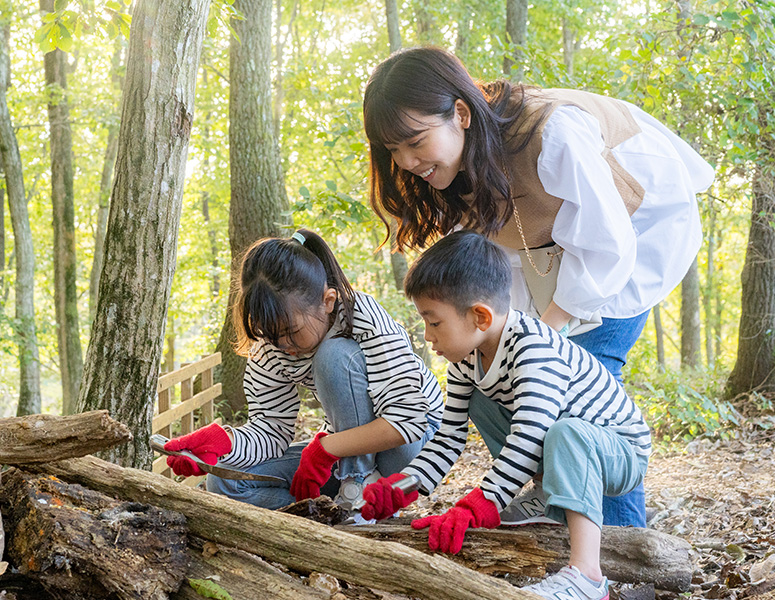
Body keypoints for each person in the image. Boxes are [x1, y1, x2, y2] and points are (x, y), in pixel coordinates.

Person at [362, 46, 714, 526]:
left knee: (585, 395)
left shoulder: (552, 133)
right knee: (507, 378)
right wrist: (402, 488)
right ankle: (555, 497)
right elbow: (493, 273)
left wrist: (542, 338)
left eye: (414, 141)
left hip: (633, 237)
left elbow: (607, 245)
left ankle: (622, 542)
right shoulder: (455, 172)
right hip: (556, 255)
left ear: (460, 114)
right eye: (392, 150)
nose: (405, 161)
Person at [361, 231, 651, 600]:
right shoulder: (467, 359)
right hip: (564, 445)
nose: (428, 336)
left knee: (566, 432)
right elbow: (449, 437)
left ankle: (587, 576)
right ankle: (547, 494)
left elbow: (531, 433)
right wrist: (403, 486)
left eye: (434, 322)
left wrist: (482, 502)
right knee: (481, 402)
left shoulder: (533, 348)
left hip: (619, 451)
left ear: (479, 316)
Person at [163, 229, 443, 513]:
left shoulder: (362, 316)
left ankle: (356, 490)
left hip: (411, 449)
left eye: (291, 331)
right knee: (225, 481)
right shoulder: (270, 344)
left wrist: (325, 450)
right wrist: (226, 443)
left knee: (333, 356)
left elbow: (409, 420)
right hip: (345, 448)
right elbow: (271, 431)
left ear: (328, 301)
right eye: (271, 335)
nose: (283, 345)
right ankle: (327, 515)